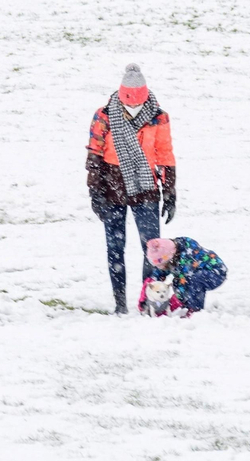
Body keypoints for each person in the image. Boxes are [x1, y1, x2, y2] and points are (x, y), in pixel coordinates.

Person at [86, 63, 177, 313]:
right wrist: (95, 191)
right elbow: (94, 154)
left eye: (138, 104)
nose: (133, 108)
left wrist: (169, 191)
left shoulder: (158, 117)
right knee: (115, 247)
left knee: (153, 248)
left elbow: (164, 153)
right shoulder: (104, 115)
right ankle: (119, 303)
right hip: (112, 187)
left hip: (145, 189)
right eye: (129, 104)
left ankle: (148, 301)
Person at [140, 237, 226, 316]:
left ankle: (194, 310)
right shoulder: (171, 254)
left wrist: (177, 299)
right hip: (193, 273)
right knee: (178, 281)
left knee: (193, 281)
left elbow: (185, 280)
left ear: (170, 258)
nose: (162, 267)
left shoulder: (188, 256)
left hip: (215, 273)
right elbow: (162, 270)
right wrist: (152, 281)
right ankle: (187, 303)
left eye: (163, 264)